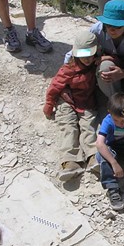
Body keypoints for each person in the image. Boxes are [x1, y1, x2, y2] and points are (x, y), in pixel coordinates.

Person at [44, 30, 100, 182]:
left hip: (87, 102)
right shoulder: (69, 68)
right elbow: (55, 86)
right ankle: (70, 161)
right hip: (67, 102)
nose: (87, 59)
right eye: (83, 55)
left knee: (89, 125)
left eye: (90, 55)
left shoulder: (97, 64)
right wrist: (49, 104)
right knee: (69, 127)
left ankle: (93, 155)